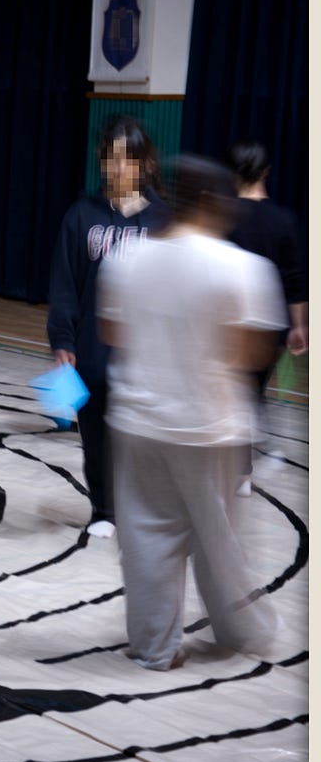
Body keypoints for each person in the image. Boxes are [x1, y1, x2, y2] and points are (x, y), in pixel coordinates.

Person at [98, 154, 284, 670]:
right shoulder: (242, 268)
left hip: (136, 420)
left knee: (145, 540)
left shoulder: (125, 259)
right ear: (209, 202)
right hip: (210, 427)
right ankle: (242, 632)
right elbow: (247, 356)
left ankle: (156, 648)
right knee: (219, 539)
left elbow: (112, 334)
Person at [46, 114, 168, 539]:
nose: (117, 169)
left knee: (141, 437)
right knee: (95, 436)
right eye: (109, 159)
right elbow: (64, 284)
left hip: (148, 355)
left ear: (144, 163)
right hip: (93, 350)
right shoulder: (81, 216)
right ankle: (103, 508)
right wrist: (62, 341)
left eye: (127, 160)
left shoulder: (164, 221)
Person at [224, 140, 308, 490]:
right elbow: (295, 278)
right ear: (265, 172)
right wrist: (299, 326)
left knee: (230, 393)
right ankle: (242, 469)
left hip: (228, 323)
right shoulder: (284, 220)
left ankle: (234, 463)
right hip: (270, 326)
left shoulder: (223, 216)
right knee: (253, 391)